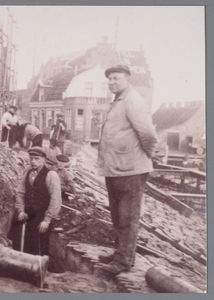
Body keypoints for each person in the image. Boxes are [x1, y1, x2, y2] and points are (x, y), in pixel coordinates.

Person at [96, 64, 158, 274]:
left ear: (127, 79)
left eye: (116, 78)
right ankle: (120, 253)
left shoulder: (133, 100)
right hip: (116, 168)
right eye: (110, 79)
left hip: (131, 170)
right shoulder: (118, 101)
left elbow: (148, 134)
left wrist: (146, 155)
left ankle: (123, 262)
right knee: (117, 215)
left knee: (127, 217)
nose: (112, 82)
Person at [8, 147, 62, 256]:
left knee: (39, 247)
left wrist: (47, 220)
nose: (33, 161)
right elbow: (21, 193)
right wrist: (21, 211)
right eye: (31, 158)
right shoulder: (27, 171)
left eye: (37, 159)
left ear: (43, 160)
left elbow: (55, 199)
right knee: (19, 241)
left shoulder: (50, 175)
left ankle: (39, 269)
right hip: (27, 214)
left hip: (41, 216)